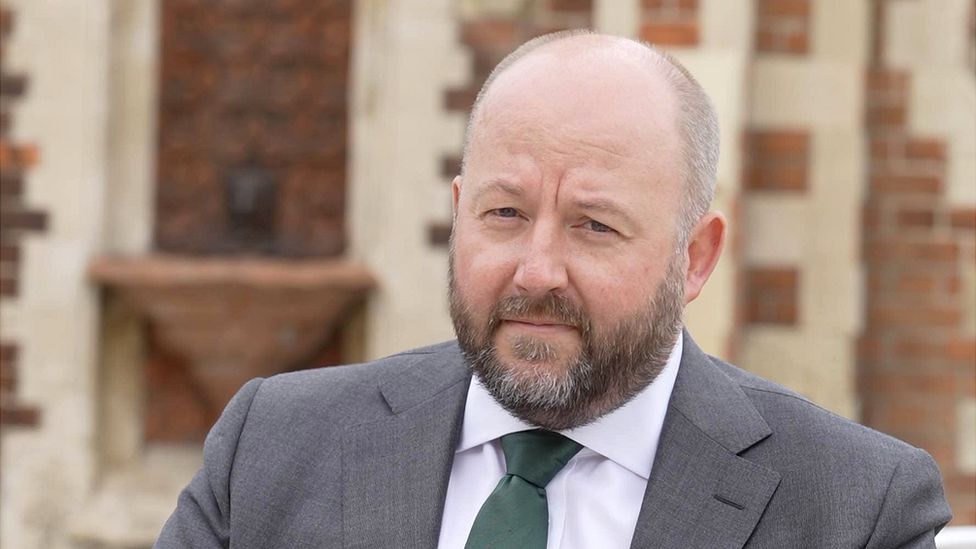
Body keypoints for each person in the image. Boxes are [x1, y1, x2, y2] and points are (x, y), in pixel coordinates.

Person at [156, 31, 951, 548]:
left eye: (594, 226)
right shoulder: (272, 448)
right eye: (505, 213)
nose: (536, 270)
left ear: (695, 257)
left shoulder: (859, 512)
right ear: (459, 212)